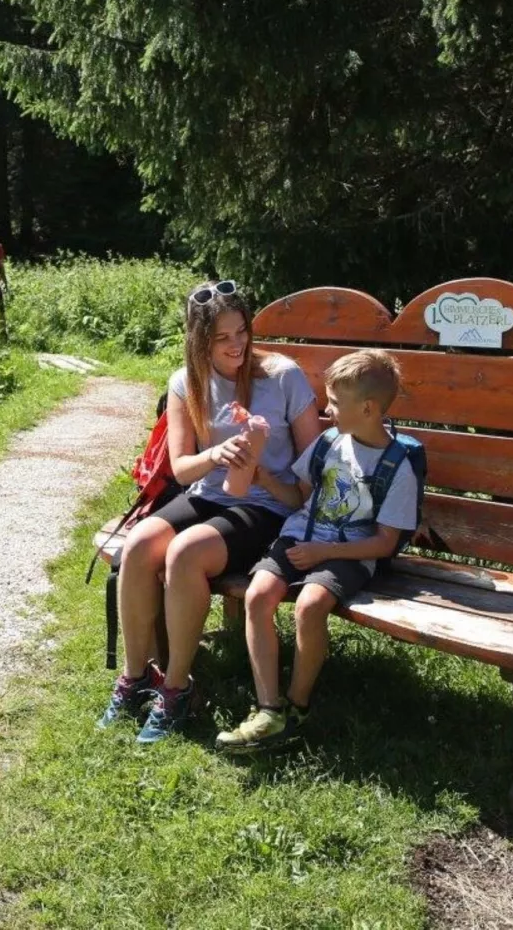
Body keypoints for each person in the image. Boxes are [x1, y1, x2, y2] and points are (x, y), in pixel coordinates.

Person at [98, 280, 323, 743]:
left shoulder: (283, 377)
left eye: (241, 331)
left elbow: (312, 467)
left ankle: (178, 688)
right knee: (139, 543)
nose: (236, 344)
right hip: (208, 493)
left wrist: (263, 475)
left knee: (185, 552)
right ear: (199, 340)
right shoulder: (187, 382)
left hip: (268, 507)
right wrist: (218, 454)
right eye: (222, 338)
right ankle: (137, 675)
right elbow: (181, 469)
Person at [216, 349, 420, 751]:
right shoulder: (329, 443)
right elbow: (298, 499)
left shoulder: (399, 466)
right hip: (302, 537)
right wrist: (262, 478)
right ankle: (268, 707)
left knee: (310, 605)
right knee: (258, 593)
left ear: (367, 407)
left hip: (349, 552)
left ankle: (297, 706)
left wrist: (323, 555)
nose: (326, 411)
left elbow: (384, 542)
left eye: (334, 403)